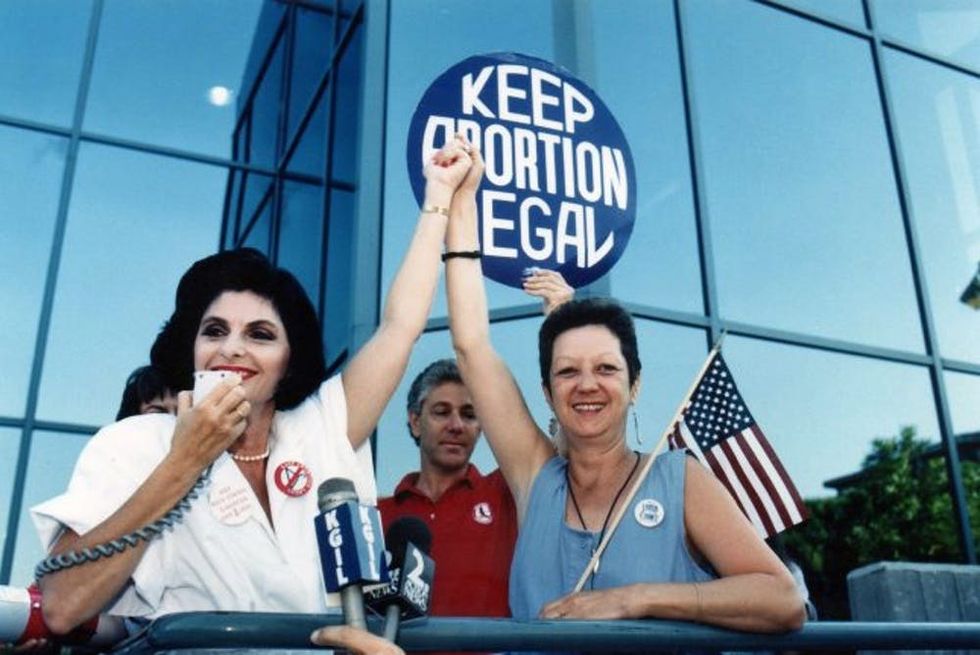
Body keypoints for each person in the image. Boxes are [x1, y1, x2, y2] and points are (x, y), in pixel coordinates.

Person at [30, 136, 477, 635]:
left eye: (260, 335)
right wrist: (186, 460)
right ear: (191, 349)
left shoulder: (321, 426)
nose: (232, 349)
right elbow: (63, 607)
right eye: (214, 330)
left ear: (289, 363)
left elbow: (399, 327)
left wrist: (439, 197)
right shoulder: (133, 443)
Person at [443, 136, 805, 636]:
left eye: (606, 369)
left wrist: (635, 600)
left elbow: (782, 598)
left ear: (634, 386)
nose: (586, 384)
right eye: (567, 371)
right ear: (547, 393)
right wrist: (462, 202)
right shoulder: (534, 478)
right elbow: (471, 345)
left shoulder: (679, 480)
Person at [378, 359, 518, 623]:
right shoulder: (377, 516)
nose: (456, 425)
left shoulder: (506, 494)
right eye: (442, 412)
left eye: (469, 414)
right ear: (416, 421)